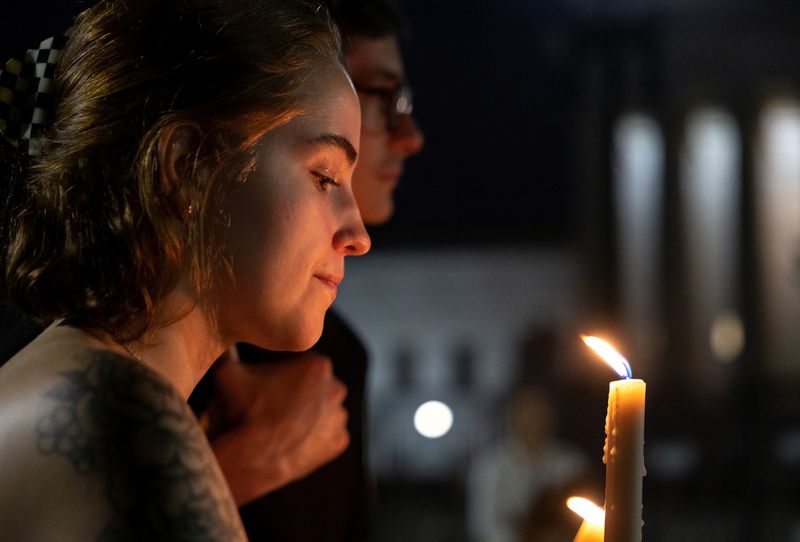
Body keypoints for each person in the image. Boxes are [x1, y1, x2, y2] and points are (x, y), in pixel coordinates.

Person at [0, 0, 369, 539]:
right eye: (324, 177)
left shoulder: (73, 381)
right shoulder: (125, 414)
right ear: (188, 166)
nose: (358, 235)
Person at [227, 1, 425, 539]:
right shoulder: (115, 352)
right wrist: (233, 470)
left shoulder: (330, 351)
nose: (409, 136)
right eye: (383, 96)